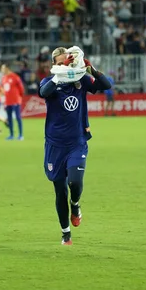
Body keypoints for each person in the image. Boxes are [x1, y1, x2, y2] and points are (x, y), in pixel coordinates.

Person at [38, 46, 112, 245]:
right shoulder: (49, 81)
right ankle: (65, 233)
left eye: (68, 62)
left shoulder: (81, 81)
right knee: (60, 189)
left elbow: (107, 85)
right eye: (61, 63)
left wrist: (91, 69)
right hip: (55, 145)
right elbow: (43, 92)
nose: (66, 66)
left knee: (75, 183)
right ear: (55, 64)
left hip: (77, 143)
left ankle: (76, 204)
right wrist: (59, 75)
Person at [1, 64, 25, 140]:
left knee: (18, 117)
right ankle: (11, 135)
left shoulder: (15, 77)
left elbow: (21, 89)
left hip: (15, 101)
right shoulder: (4, 78)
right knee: (9, 118)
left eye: (3, 68)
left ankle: (20, 135)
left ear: (7, 68)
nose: (2, 70)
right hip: (8, 101)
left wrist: (19, 98)